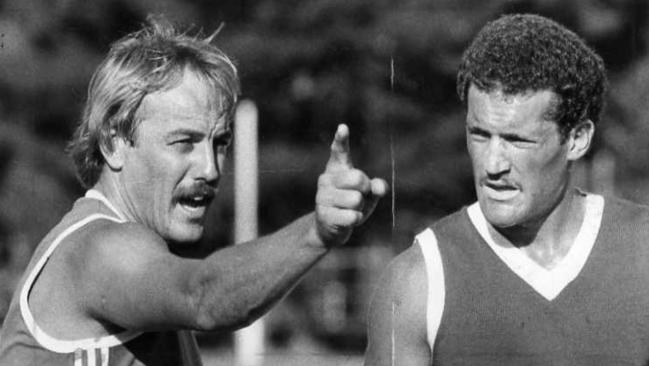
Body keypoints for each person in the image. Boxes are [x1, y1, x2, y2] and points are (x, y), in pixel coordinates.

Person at [0, 17, 388, 365]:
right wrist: (316, 233)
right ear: (114, 143)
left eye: (219, 142)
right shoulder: (100, 247)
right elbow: (204, 298)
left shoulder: (140, 262)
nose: (211, 168)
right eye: (184, 142)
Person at [364, 13, 649, 365]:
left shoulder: (641, 253)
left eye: (516, 140)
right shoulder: (416, 284)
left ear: (577, 139)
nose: (492, 164)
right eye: (479, 134)